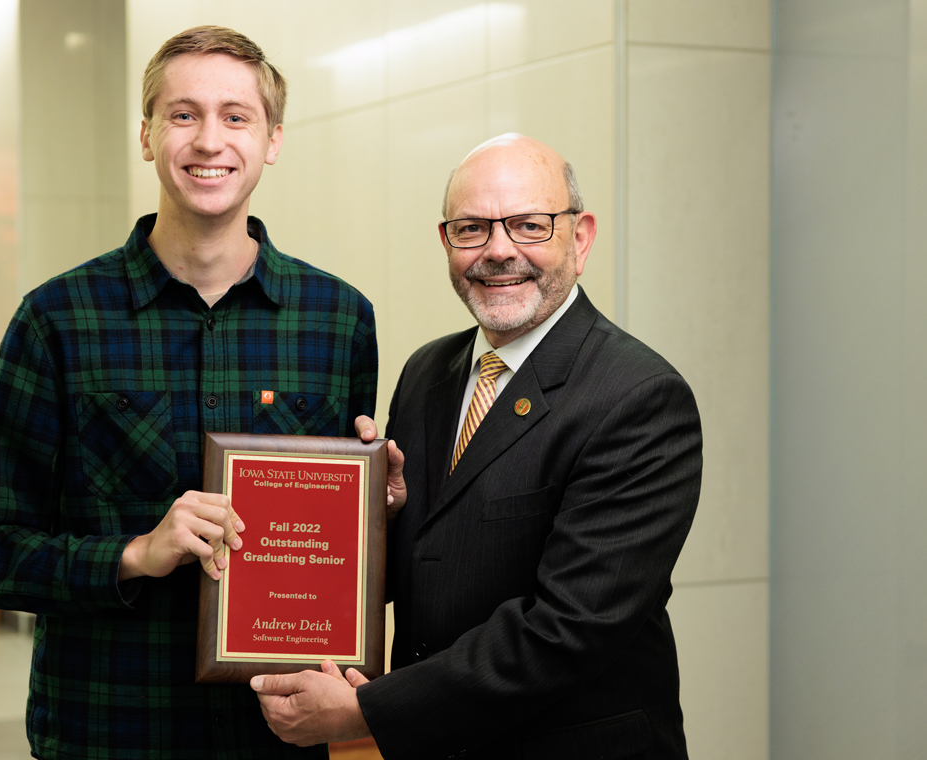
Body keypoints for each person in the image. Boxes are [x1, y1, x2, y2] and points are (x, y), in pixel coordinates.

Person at [0, 26, 377, 760]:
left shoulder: (338, 319)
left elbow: (339, 547)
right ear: (146, 135)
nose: (210, 140)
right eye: (183, 114)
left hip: (269, 738)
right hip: (106, 729)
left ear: (272, 140)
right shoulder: (57, 319)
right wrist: (135, 554)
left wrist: (378, 512)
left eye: (237, 116)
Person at [252, 133, 702, 760]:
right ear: (445, 242)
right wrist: (376, 522)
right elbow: (444, 560)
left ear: (581, 237)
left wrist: (365, 712)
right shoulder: (427, 371)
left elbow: (570, 628)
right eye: (471, 229)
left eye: (528, 225)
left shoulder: (638, 397)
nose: (498, 251)